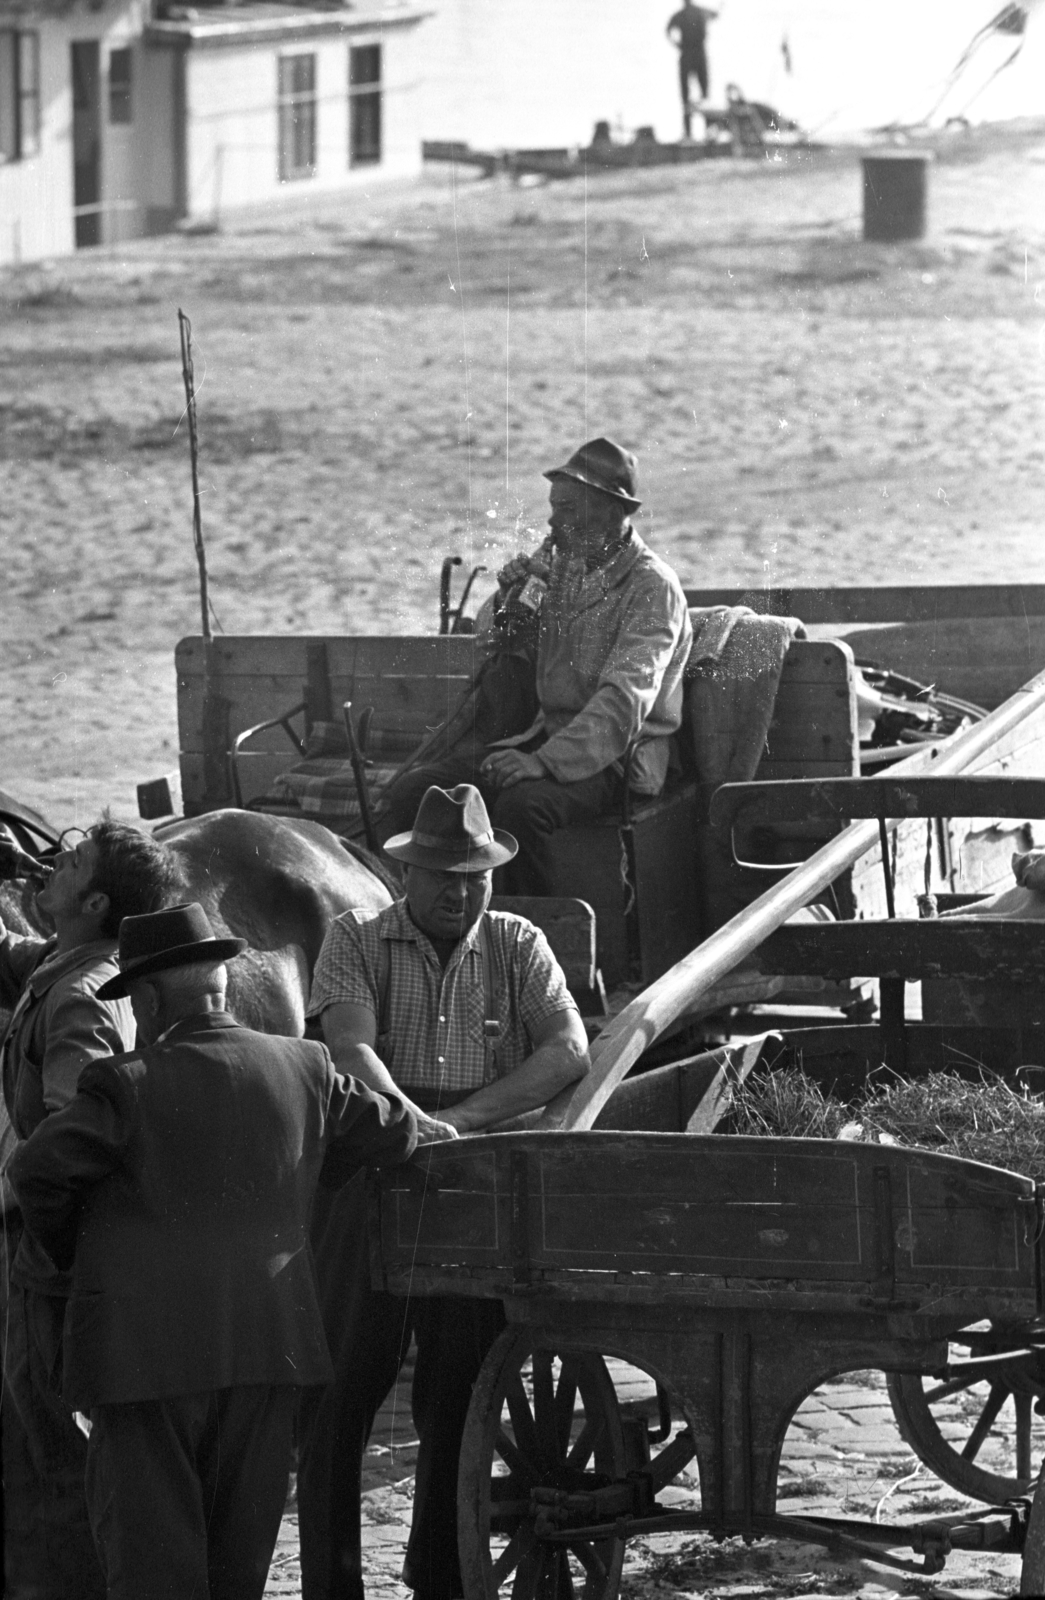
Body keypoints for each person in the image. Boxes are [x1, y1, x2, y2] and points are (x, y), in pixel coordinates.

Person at [7, 901, 418, 1600]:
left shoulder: (124, 1083)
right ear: (220, 988)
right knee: (239, 1570)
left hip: (144, 1361)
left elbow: (35, 1173)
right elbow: (396, 1132)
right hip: (269, 1348)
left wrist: (81, 1256)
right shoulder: (307, 1067)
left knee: (153, 1571)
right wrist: (300, 1190)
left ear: (147, 997)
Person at [297, 783, 590, 1600]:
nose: (459, 893)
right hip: (366, 1178)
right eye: (443, 876)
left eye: (475, 876)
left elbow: (566, 1050)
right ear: (408, 873)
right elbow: (350, 1051)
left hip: (471, 1191)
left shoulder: (517, 943)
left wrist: (458, 1123)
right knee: (339, 1394)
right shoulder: (353, 939)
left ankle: (440, 1579)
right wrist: (411, 1128)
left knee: (457, 1398)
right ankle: (331, 1587)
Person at [377, 438, 693, 897]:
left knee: (520, 808)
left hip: (619, 757)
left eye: (567, 509)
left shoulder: (652, 587)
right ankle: (413, 918)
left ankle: (536, 937)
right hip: (547, 736)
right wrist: (507, 604)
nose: (553, 522)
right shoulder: (562, 569)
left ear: (609, 513)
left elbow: (624, 703)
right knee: (419, 792)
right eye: (553, 508)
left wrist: (541, 762)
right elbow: (494, 646)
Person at [0, 815, 183, 1600]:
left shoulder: (79, 996)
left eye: (69, 861)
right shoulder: (72, 963)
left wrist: (17, 1206)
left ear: (96, 901)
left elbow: (81, 1139)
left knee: (54, 1460)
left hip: (55, 1266)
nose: (51, 859)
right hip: (61, 1260)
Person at [666, 0, 716, 135]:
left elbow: (668, 30)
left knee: (699, 94)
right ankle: (694, 131)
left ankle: (704, 130)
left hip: (692, 54)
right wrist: (677, 44)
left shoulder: (684, 14)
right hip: (694, 54)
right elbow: (668, 30)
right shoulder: (695, 12)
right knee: (696, 94)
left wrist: (676, 44)